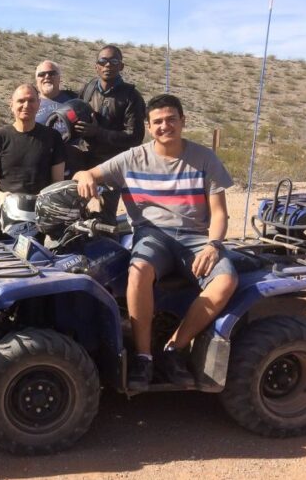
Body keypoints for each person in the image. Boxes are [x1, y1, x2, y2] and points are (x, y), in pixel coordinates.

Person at [74, 94, 238, 391]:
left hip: (196, 237)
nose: (166, 126)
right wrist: (85, 176)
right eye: (158, 121)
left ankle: (174, 348)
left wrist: (214, 244)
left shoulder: (204, 159)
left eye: (171, 119)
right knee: (138, 271)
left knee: (226, 280)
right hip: (152, 235)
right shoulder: (132, 158)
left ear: (182, 121)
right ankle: (144, 356)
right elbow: (88, 173)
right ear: (149, 127)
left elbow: (219, 213)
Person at [73, 45, 146, 221]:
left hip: (113, 164)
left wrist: (98, 132)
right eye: (103, 61)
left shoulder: (131, 96)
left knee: (105, 217)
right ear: (96, 66)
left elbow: (135, 137)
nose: (108, 65)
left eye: (114, 61)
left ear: (121, 66)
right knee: (75, 212)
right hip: (85, 160)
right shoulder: (88, 89)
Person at [0, 84, 66, 204]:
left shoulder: (53, 137)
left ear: (39, 104)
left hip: (42, 209)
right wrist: (0, 196)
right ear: (11, 105)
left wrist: (43, 198)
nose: (26, 105)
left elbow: (58, 181)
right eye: (21, 101)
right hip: (8, 210)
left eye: (31, 100)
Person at [34, 60, 78, 126]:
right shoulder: (30, 104)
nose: (47, 76)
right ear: (37, 80)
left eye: (52, 73)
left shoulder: (75, 99)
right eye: (42, 74)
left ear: (59, 78)